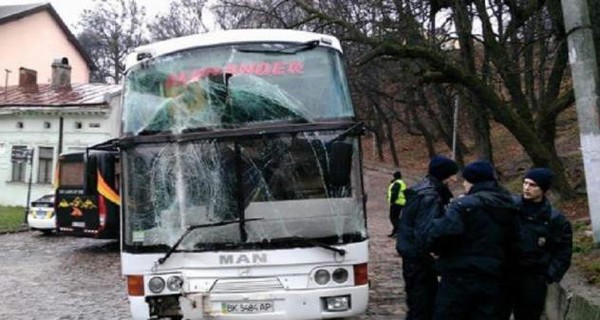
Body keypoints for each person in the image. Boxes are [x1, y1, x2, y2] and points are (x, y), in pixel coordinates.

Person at [424, 160, 519, 319]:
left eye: (465, 180)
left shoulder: (462, 205)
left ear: (472, 181)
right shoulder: (510, 204)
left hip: (460, 276)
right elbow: (517, 239)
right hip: (497, 276)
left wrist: (436, 248)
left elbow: (443, 234)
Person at [499, 168, 573, 320]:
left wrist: (549, 275)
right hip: (504, 272)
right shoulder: (509, 207)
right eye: (525, 183)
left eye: (532, 185)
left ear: (543, 189)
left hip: (533, 276)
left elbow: (564, 251)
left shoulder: (555, 219)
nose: (526, 188)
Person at [396, 155, 458, 320]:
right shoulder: (430, 196)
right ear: (443, 175)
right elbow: (426, 231)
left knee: (421, 304)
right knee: (422, 307)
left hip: (414, 256)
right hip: (419, 259)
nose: (455, 179)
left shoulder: (423, 190)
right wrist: (437, 253)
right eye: (452, 175)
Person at [387, 170, 407, 237]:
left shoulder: (397, 183)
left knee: (393, 217)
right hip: (401, 202)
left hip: (396, 202)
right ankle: (395, 231)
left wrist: (392, 201)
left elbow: (394, 193)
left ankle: (399, 230)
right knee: (396, 217)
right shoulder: (402, 183)